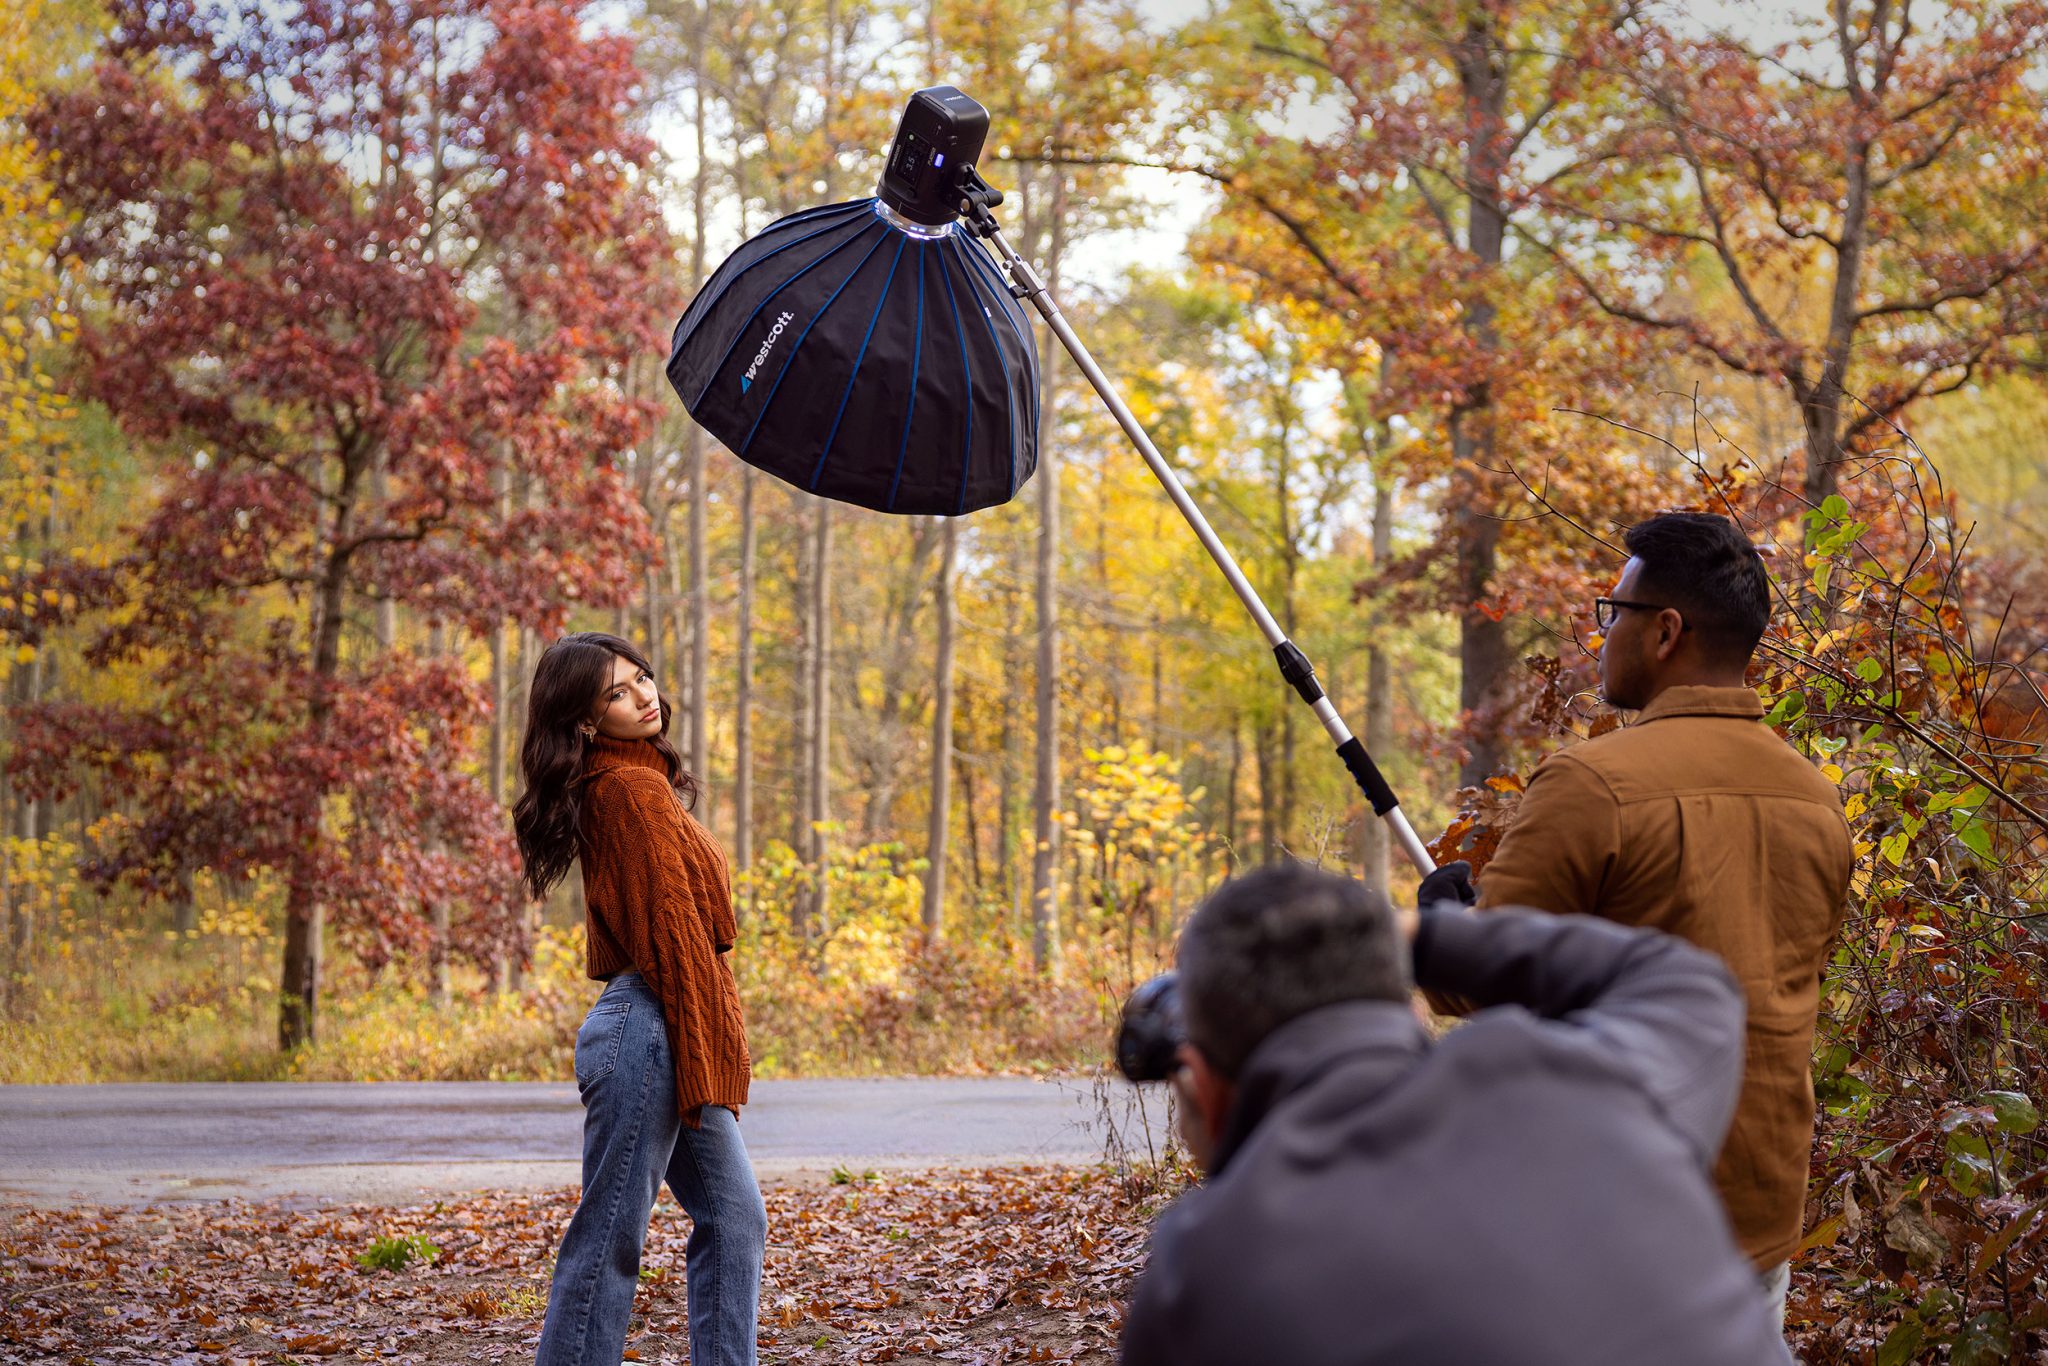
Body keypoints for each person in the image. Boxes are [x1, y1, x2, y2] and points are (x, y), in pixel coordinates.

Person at [1422, 509, 1853, 1326]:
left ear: (1665, 632)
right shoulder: (1817, 799)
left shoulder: (1592, 786)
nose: (1602, 634)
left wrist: (1444, 931)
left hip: (1609, 1229)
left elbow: (1477, 984)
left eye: (1613, 612)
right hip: (1758, 1224)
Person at [1119, 861, 1792, 1366]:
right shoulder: (1595, 1087)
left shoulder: (1201, 1273)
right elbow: (1681, 978)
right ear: (1411, 1009)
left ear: (1202, 1085)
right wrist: (1422, 934)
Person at [513, 632, 765, 1366]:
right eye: (617, 693)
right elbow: (674, 935)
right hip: (651, 1027)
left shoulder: (630, 782)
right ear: (587, 721)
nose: (644, 695)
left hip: (657, 1019)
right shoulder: (629, 790)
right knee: (610, 1240)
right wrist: (705, 1052)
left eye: (642, 677)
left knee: (736, 1219)